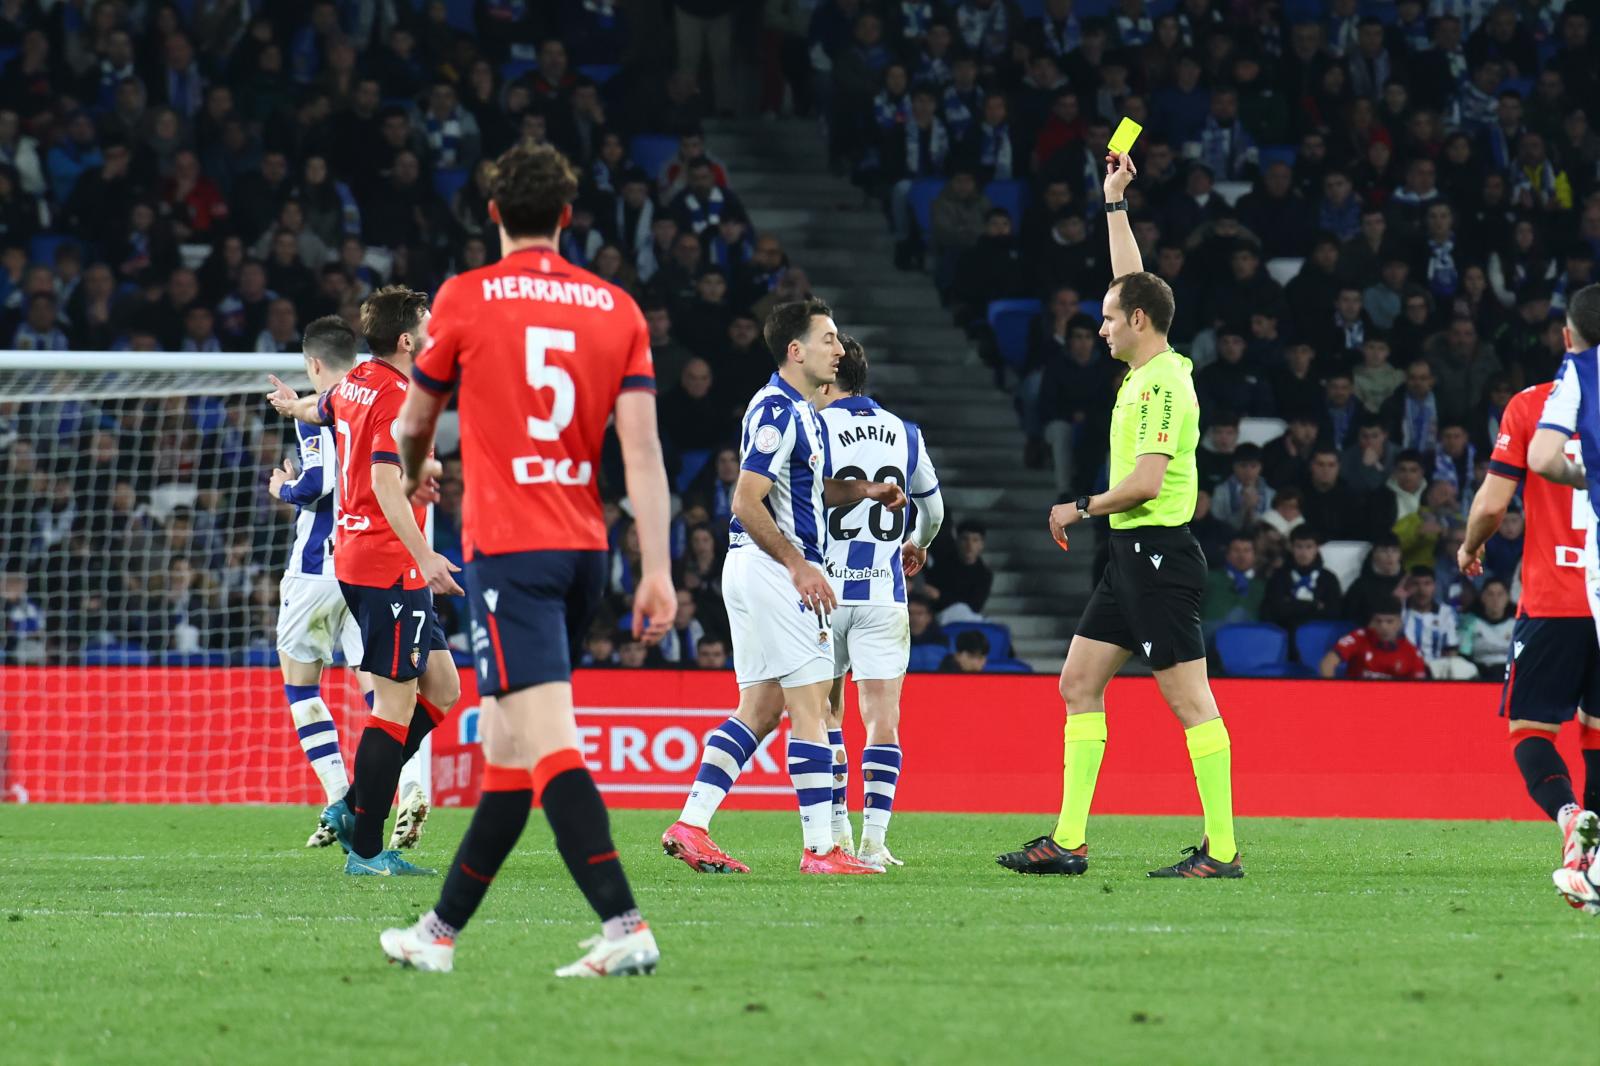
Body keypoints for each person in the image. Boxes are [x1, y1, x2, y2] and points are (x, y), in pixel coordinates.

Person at [373, 144, 675, 978]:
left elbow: (412, 422)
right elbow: (643, 455)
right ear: (568, 219)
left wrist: (426, 462)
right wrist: (658, 567)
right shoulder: (617, 308)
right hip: (587, 551)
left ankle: (625, 925)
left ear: (495, 213)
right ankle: (438, 935)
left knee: (548, 746)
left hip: (512, 554)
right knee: (508, 749)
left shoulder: (466, 299)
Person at [998, 150, 1242, 880]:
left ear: (1138, 322)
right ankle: (1068, 841)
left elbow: (1142, 483)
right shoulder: (1148, 367)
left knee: (1190, 701)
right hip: (1130, 557)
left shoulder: (1162, 386)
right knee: (1078, 682)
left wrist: (1080, 506)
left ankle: (1222, 850)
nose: (1097, 327)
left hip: (1157, 550)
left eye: (1107, 319)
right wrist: (1113, 203)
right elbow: (1128, 280)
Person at [661, 298, 906, 877]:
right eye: (828, 339)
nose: (839, 349)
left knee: (761, 709)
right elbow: (746, 500)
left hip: (755, 569)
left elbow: (809, 489)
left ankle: (692, 824)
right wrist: (798, 566)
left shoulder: (799, 413)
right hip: (773, 570)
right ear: (796, 351)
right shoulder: (776, 409)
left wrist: (866, 492)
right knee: (812, 708)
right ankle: (822, 850)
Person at [266, 286, 461, 879]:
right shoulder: (397, 395)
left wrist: (290, 405)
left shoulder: (355, 381)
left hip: (363, 558)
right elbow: (382, 480)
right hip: (387, 564)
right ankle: (368, 847)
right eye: (428, 325)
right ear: (407, 340)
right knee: (396, 706)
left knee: (444, 690)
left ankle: (355, 806)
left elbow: (317, 409)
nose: (435, 331)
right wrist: (425, 554)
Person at [810, 335, 944, 868]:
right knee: (882, 718)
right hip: (882, 594)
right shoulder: (904, 433)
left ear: (828, 379)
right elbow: (932, 511)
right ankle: (875, 842)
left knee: (824, 712)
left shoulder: (813, 424)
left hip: (822, 589)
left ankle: (839, 832)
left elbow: (796, 494)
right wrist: (917, 546)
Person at [1319, 600, 1428, 680]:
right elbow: (1327, 663)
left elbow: (1419, 688)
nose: (1383, 627)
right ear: (1372, 623)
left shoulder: (1411, 651)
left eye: (1389, 622)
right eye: (1378, 621)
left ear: (1399, 623)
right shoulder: (1358, 637)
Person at [1262, 526, 1342, 632]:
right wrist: (1315, 605)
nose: (1303, 553)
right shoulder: (1278, 577)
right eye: (1299, 547)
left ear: (1317, 548)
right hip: (1285, 635)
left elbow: (1334, 613)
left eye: (1309, 547)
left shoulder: (1329, 578)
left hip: (1320, 636)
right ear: (1291, 547)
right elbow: (1274, 611)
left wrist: (1291, 604)